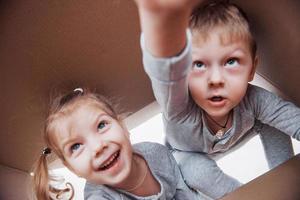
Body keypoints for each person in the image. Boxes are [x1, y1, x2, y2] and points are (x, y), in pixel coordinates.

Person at [134, 0, 300, 199]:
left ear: (252, 69)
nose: (215, 80)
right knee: (196, 172)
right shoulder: (178, 110)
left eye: (231, 61)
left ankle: (283, 175)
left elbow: (293, 120)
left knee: (274, 121)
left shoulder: (255, 99)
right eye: (199, 65)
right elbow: (166, 76)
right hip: (188, 152)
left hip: (243, 130)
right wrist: (158, 21)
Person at [31, 88, 199, 200]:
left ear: (123, 126)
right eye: (76, 146)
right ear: (72, 169)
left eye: (101, 125)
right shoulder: (99, 197)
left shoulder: (156, 153)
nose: (98, 147)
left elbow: (183, 190)